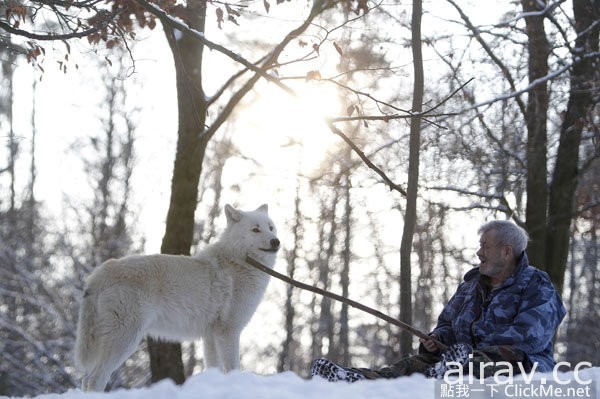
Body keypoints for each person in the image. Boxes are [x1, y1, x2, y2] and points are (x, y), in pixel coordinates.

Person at [311, 220, 566, 382]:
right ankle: (355, 379)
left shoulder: (536, 285)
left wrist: (469, 353)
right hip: (452, 359)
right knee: (410, 365)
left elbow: (529, 338)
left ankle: (452, 370)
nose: (479, 252)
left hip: (521, 367)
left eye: (485, 246)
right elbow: (446, 325)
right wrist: (438, 341)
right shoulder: (469, 287)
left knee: (483, 365)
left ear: (506, 251)